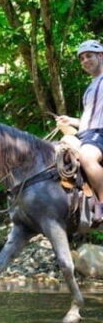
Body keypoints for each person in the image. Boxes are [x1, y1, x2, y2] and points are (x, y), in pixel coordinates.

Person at [56, 39, 103, 201]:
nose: (85, 61)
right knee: (56, 151)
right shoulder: (90, 88)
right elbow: (90, 119)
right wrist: (70, 121)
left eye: (89, 56)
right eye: (82, 58)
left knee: (87, 157)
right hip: (86, 134)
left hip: (100, 134)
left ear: (101, 56)